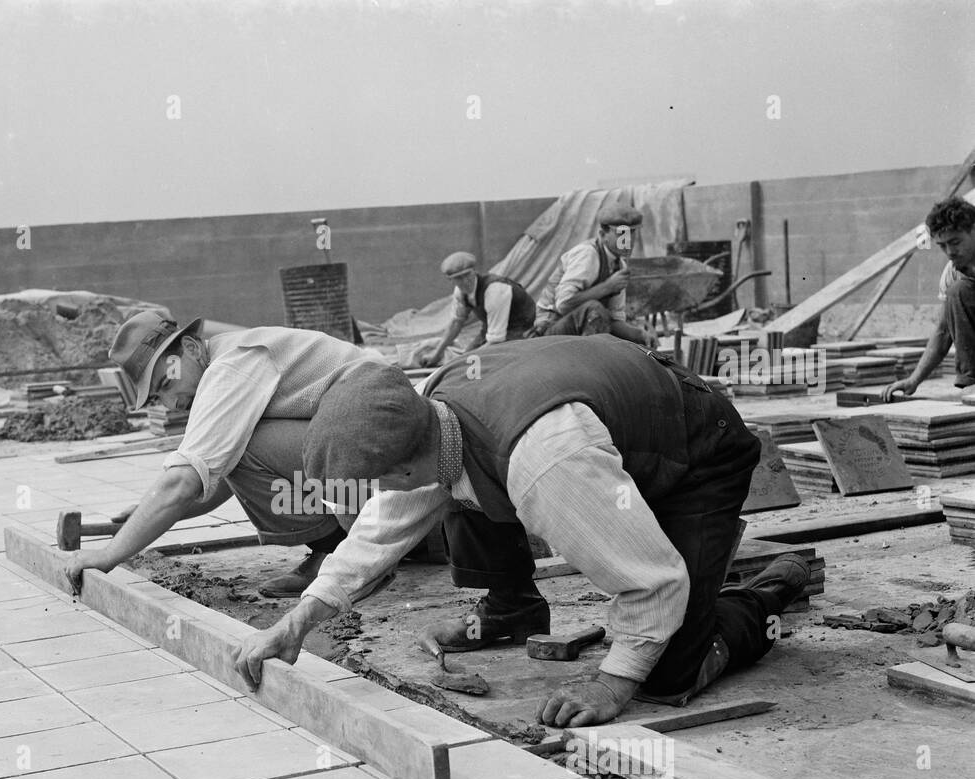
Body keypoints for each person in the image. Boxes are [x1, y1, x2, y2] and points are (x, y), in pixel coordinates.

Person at [232, 336, 811, 728]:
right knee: (464, 486)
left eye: (382, 481)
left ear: (404, 463)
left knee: (662, 670)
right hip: (609, 420)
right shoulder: (430, 416)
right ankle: (511, 611)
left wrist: (611, 685)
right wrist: (300, 620)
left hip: (696, 445)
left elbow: (653, 582)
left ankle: (765, 598)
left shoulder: (547, 462)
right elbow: (383, 528)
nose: (384, 493)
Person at [61, 312, 400, 598]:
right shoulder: (232, 358)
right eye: (157, 397)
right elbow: (218, 478)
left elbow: (184, 482)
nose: (170, 403)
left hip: (384, 440)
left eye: (166, 383)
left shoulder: (233, 365)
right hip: (379, 443)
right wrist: (147, 515)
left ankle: (344, 555)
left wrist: (108, 554)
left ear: (192, 347)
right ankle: (349, 545)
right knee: (238, 450)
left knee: (244, 448)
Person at [884, 196, 975, 400]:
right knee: (958, 291)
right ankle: (972, 382)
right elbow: (943, 332)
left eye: (955, 242)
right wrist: (914, 380)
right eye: (942, 245)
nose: (950, 251)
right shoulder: (953, 273)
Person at [533, 204, 654, 346]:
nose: (628, 240)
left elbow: (613, 320)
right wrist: (607, 287)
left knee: (635, 341)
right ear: (603, 235)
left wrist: (639, 334)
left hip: (578, 329)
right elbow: (564, 304)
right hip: (549, 329)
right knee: (594, 309)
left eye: (632, 233)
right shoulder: (588, 254)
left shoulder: (620, 266)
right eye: (621, 234)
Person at [421, 252, 537, 367]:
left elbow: (497, 340)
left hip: (521, 331)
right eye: (458, 278)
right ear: (451, 280)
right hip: (491, 331)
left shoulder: (495, 290)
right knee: (465, 360)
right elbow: (456, 323)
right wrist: (436, 354)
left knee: (477, 365)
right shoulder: (460, 292)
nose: (465, 281)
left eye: (467, 275)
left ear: (474, 271)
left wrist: (469, 358)